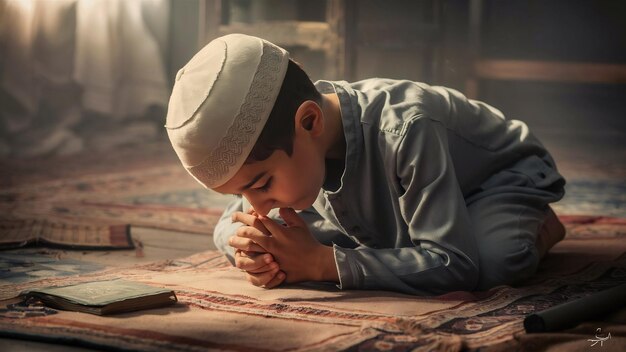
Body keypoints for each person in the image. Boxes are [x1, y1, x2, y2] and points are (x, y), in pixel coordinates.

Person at [165, 34, 566, 295]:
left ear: (310, 121)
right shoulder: (290, 153)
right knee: (302, 233)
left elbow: (454, 264)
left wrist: (323, 263)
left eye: (262, 184)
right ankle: (400, 243)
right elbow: (228, 226)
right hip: (403, 199)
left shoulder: (407, 130)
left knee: (490, 266)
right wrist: (253, 252)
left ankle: (536, 222)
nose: (256, 206)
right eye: (241, 193)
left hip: (493, 181)